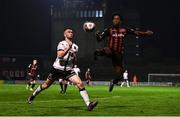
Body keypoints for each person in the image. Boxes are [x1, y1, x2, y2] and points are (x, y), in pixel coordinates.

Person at [27, 27, 98, 111]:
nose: (71, 33)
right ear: (65, 34)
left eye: (72, 32)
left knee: (80, 83)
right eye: (69, 32)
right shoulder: (61, 43)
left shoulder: (75, 46)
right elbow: (60, 56)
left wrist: (74, 57)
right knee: (46, 85)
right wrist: (68, 48)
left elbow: (74, 61)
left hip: (68, 70)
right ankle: (33, 96)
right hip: (57, 69)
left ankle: (88, 104)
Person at [94, 12, 153, 92]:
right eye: (114, 19)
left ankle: (113, 82)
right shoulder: (109, 29)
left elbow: (136, 32)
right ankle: (98, 52)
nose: (115, 20)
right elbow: (99, 39)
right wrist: (97, 35)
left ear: (120, 21)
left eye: (117, 19)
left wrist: (145, 33)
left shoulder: (124, 30)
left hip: (119, 55)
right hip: (110, 50)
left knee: (119, 76)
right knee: (108, 50)